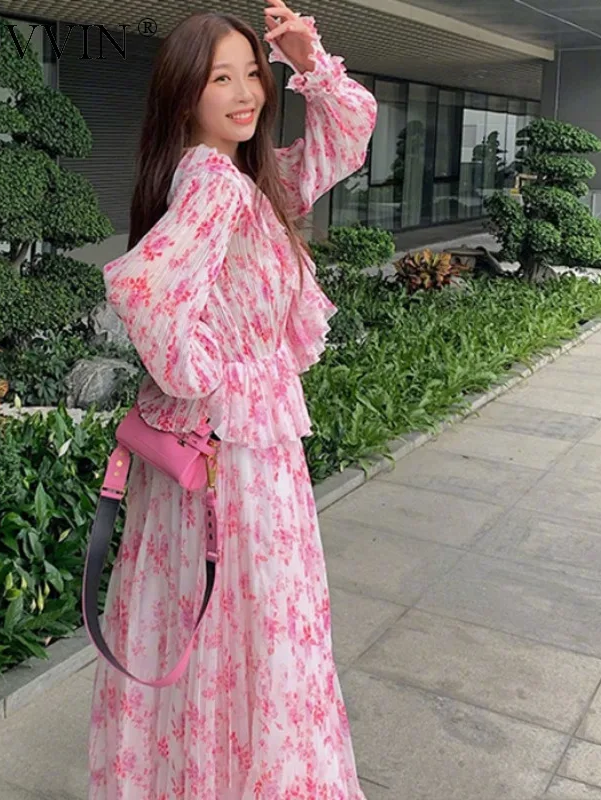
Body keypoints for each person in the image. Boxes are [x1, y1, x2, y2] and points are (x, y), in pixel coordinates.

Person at [87, 1, 377, 797]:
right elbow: (146, 291)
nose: (247, 93)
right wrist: (211, 375)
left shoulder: (248, 177)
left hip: (232, 450)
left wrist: (306, 58)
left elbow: (347, 136)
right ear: (185, 93)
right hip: (237, 457)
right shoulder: (216, 181)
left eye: (253, 74)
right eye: (222, 78)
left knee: (219, 626)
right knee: (257, 630)